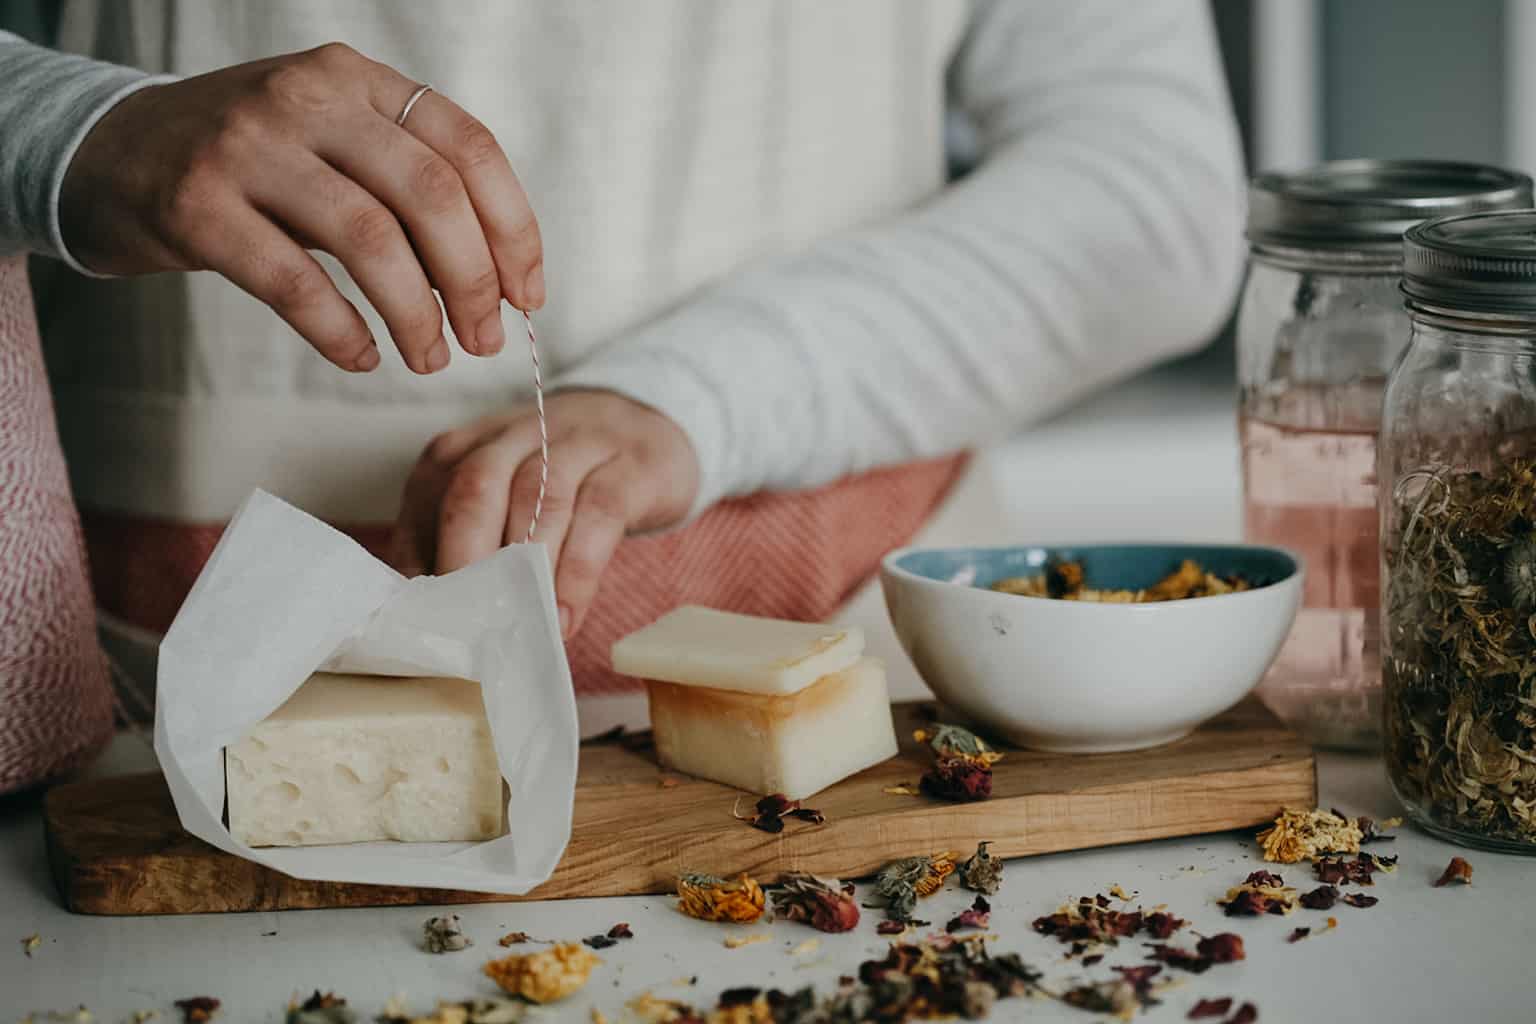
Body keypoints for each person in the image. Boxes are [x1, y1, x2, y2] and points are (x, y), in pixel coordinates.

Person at [0, 1, 1245, 717]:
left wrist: (704, 393)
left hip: (875, 679)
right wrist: (73, 134)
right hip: (173, 691)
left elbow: (1158, 188)